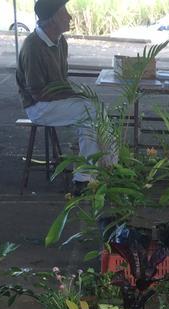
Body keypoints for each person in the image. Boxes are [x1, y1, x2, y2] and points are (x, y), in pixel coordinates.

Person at [16, 0, 103, 183]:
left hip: (55, 101)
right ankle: (90, 174)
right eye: (65, 13)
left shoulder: (61, 41)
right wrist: (74, 95)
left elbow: (62, 81)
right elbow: (37, 93)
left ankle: (93, 173)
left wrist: (76, 94)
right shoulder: (32, 46)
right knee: (91, 110)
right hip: (39, 106)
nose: (70, 17)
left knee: (94, 114)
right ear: (52, 20)